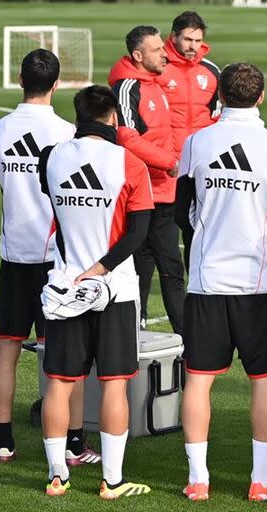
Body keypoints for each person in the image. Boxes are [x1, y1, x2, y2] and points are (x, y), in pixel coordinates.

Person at [174, 63, 267, 503]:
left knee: (199, 379)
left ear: (219, 95)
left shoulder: (196, 142)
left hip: (207, 281)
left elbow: (181, 211)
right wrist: (261, 249)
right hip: (258, 284)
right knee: (263, 380)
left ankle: (198, 480)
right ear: (260, 97)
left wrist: (210, 241)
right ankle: (260, 480)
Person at [38, 85, 154, 499]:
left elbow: (53, 203)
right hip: (115, 290)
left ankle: (57, 476)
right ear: (113, 119)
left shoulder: (50, 158)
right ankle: (113, 480)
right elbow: (139, 232)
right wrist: (100, 268)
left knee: (59, 383)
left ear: (78, 116)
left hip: (65, 286)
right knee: (114, 384)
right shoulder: (130, 163)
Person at [0, 48, 99, 467]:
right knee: (64, 356)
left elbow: (4, 182)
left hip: (13, 254)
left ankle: (4, 440)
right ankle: (72, 445)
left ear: (20, 79)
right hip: (56, 258)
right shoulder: (68, 132)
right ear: (57, 85)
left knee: (7, 348)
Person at [109, 25, 185, 334]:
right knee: (147, 266)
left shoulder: (155, 85)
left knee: (168, 267)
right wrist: (170, 162)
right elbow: (127, 139)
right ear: (138, 55)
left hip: (164, 191)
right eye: (157, 50)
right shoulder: (127, 88)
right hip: (140, 192)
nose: (165, 53)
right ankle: (138, 329)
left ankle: (182, 335)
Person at [158, 10, 220, 269]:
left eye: (197, 40)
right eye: (187, 40)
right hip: (166, 166)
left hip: (200, 165)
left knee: (198, 233)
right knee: (163, 238)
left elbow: (217, 118)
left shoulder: (211, 70)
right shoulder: (159, 67)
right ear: (173, 37)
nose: (193, 46)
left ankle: (195, 285)